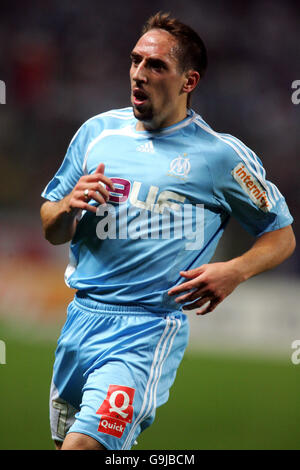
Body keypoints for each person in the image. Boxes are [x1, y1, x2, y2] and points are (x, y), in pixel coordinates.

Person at [40, 12, 295, 451]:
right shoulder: (97, 133)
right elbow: (51, 227)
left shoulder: (219, 156)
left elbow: (281, 234)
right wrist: (67, 205)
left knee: (83, 448)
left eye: (156, 66)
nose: (139, 74)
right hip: (79, 319)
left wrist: (234, 270)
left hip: (145, 330)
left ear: (188, 81)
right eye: (136, 61)